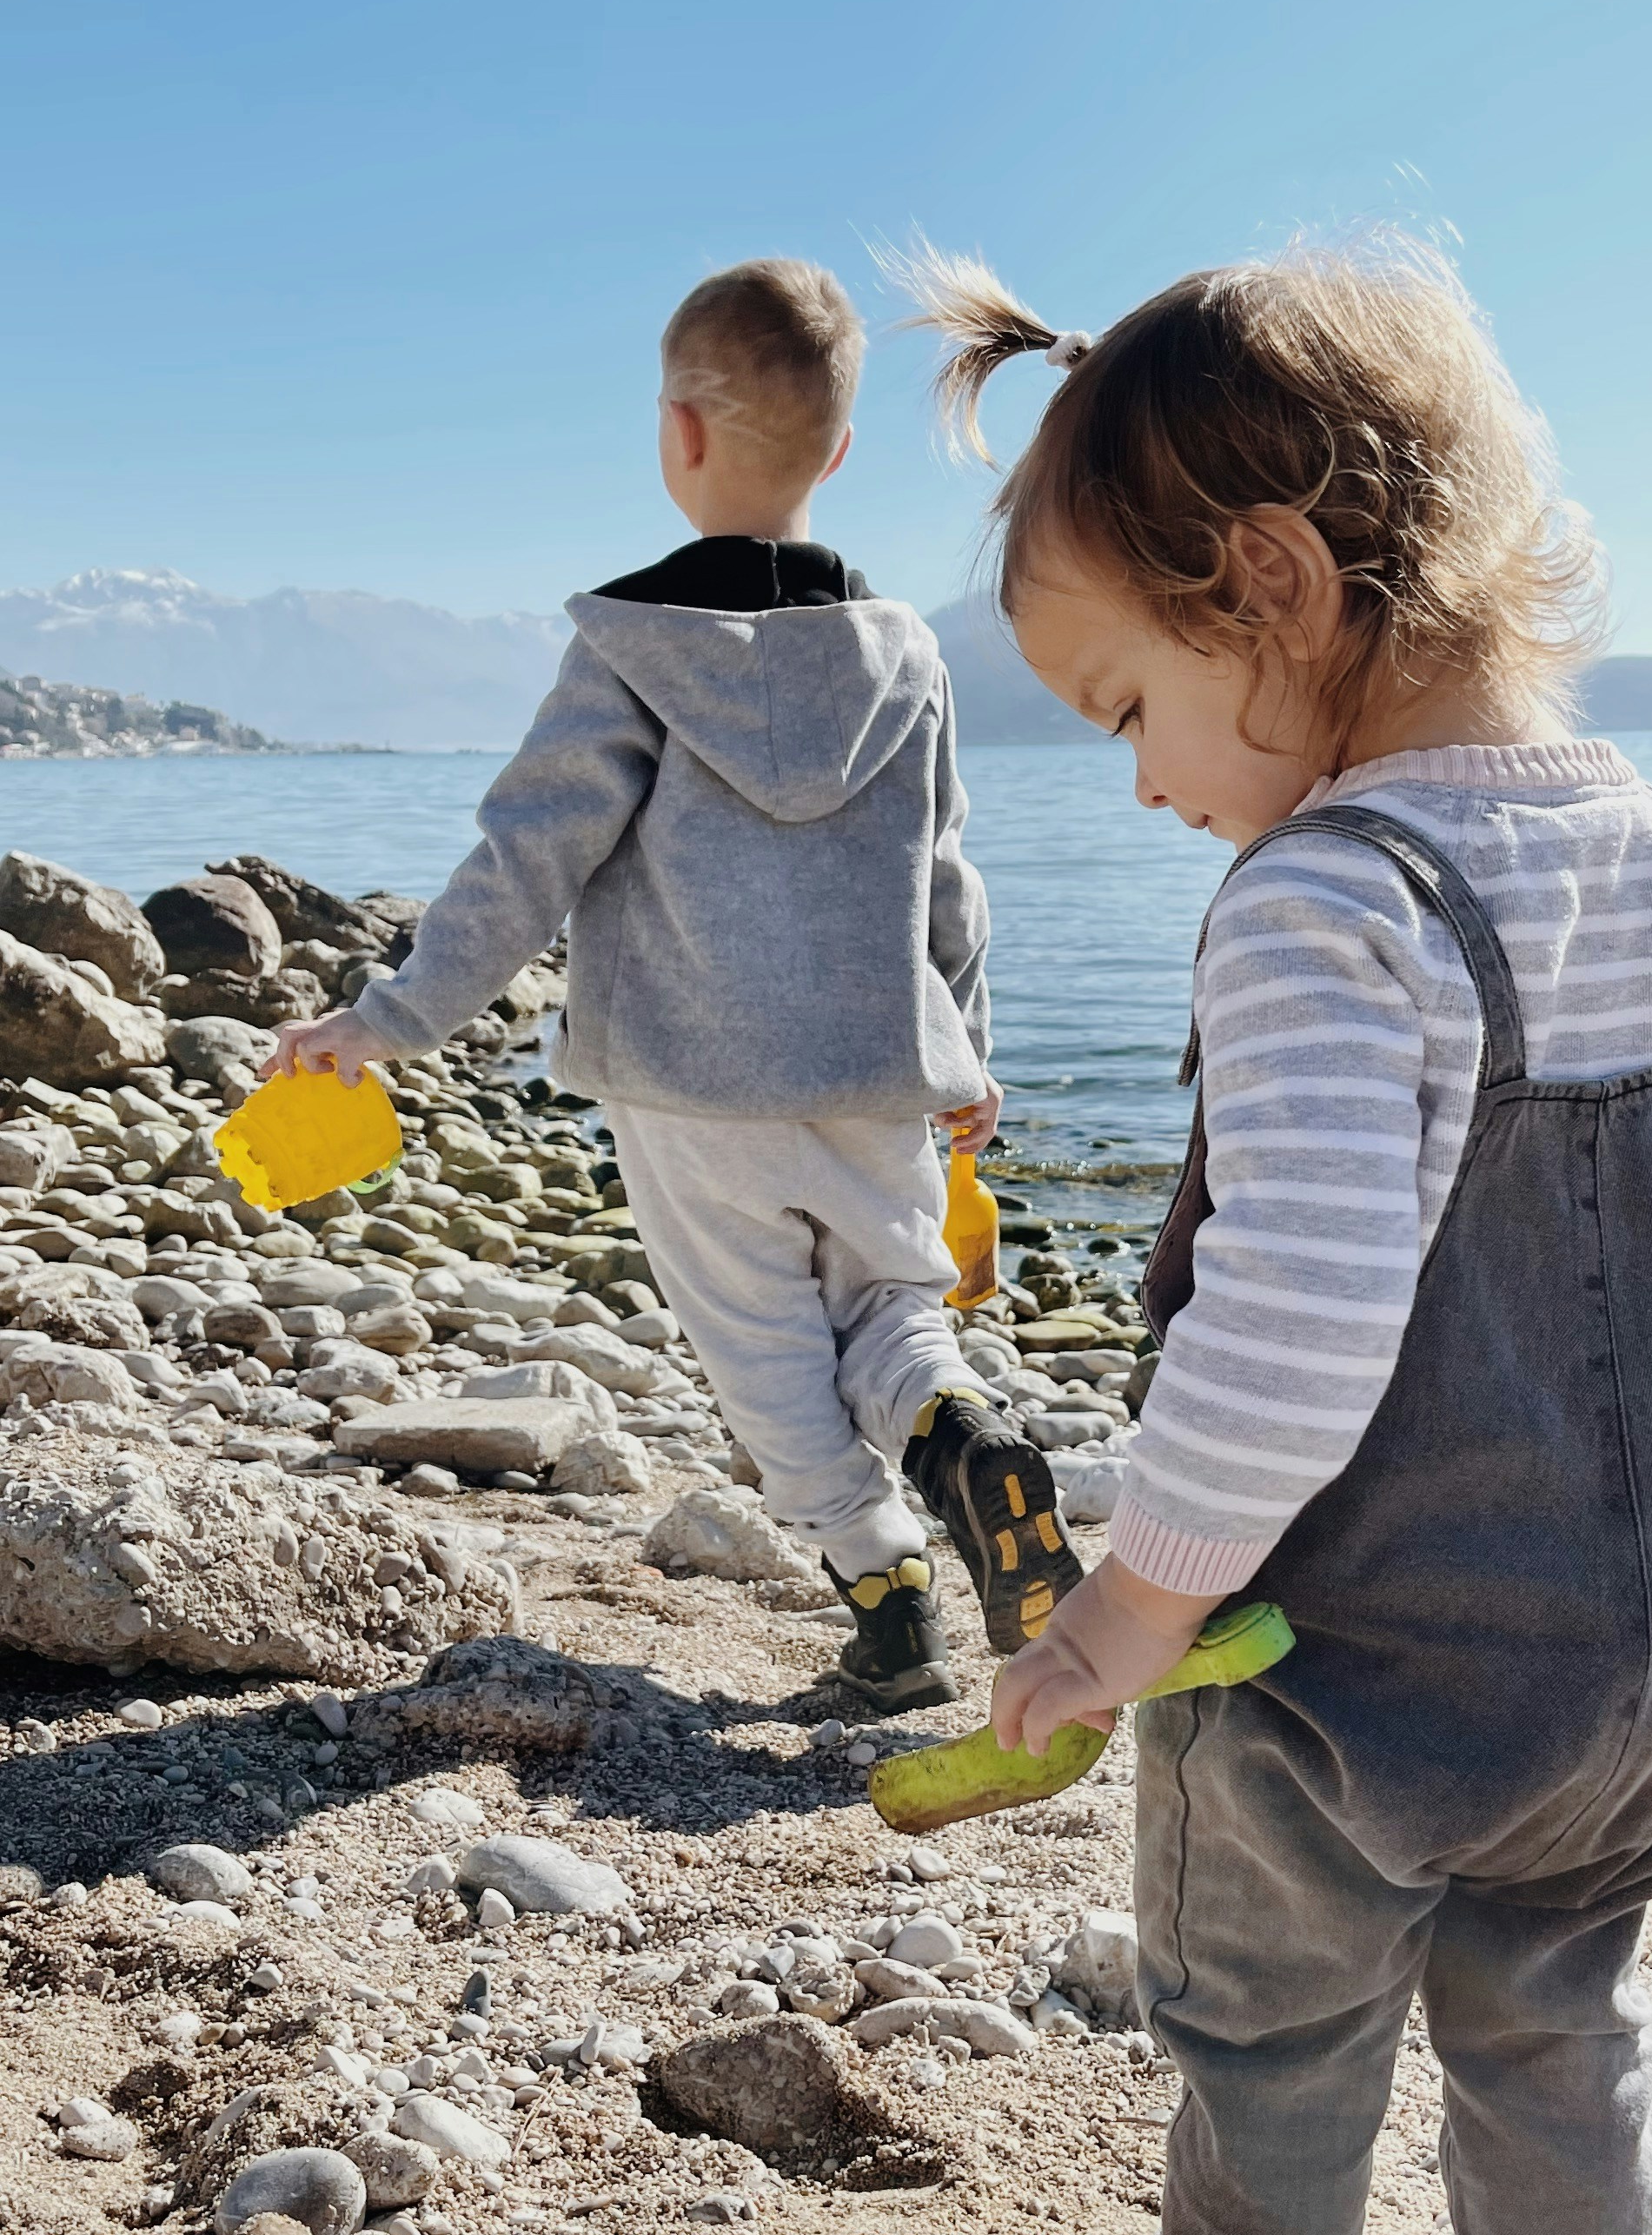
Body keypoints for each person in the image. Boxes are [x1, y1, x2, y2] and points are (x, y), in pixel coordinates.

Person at [903, 237, 1652, 2235]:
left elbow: (1288, 1331)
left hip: (1328, 1674)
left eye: (1125, 709)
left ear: (1273, 586)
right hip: (1620, 1665)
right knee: (1552, 2030)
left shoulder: (1328, 893)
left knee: (1278, 2042)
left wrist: (1116, 1615)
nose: (1141, 784)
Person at [275, 256, 1081, 1711]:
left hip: (690, 1089)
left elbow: (525, 864)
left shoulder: (626, 652)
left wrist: (389, 1021)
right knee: (896, 1306)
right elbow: (950, 879)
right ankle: (963, 1441)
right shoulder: (907, 659)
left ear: (679, 436)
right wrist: (968, 1051)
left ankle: (890, 1593)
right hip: (882, 1071)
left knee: (763, 1347)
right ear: (836, 454)